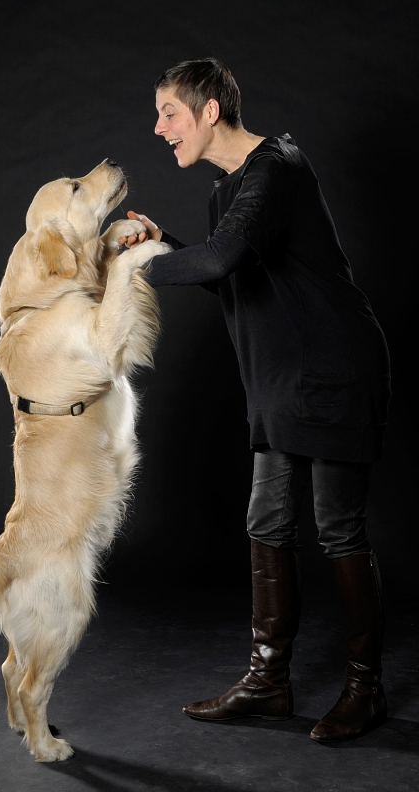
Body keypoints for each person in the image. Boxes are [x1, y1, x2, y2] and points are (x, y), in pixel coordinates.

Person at [120, 57, 391, 744]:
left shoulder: (277, 168)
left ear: (210, 111)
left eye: (169, 114)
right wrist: (167, 246)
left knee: (337, 528)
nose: (159, 129)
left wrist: (128, 264)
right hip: (280, 376)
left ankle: (366, 689)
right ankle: (269, 683)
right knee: (266, 519)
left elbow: (217, 261)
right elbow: (226, 275)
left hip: (333, 370)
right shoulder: (228, 192)